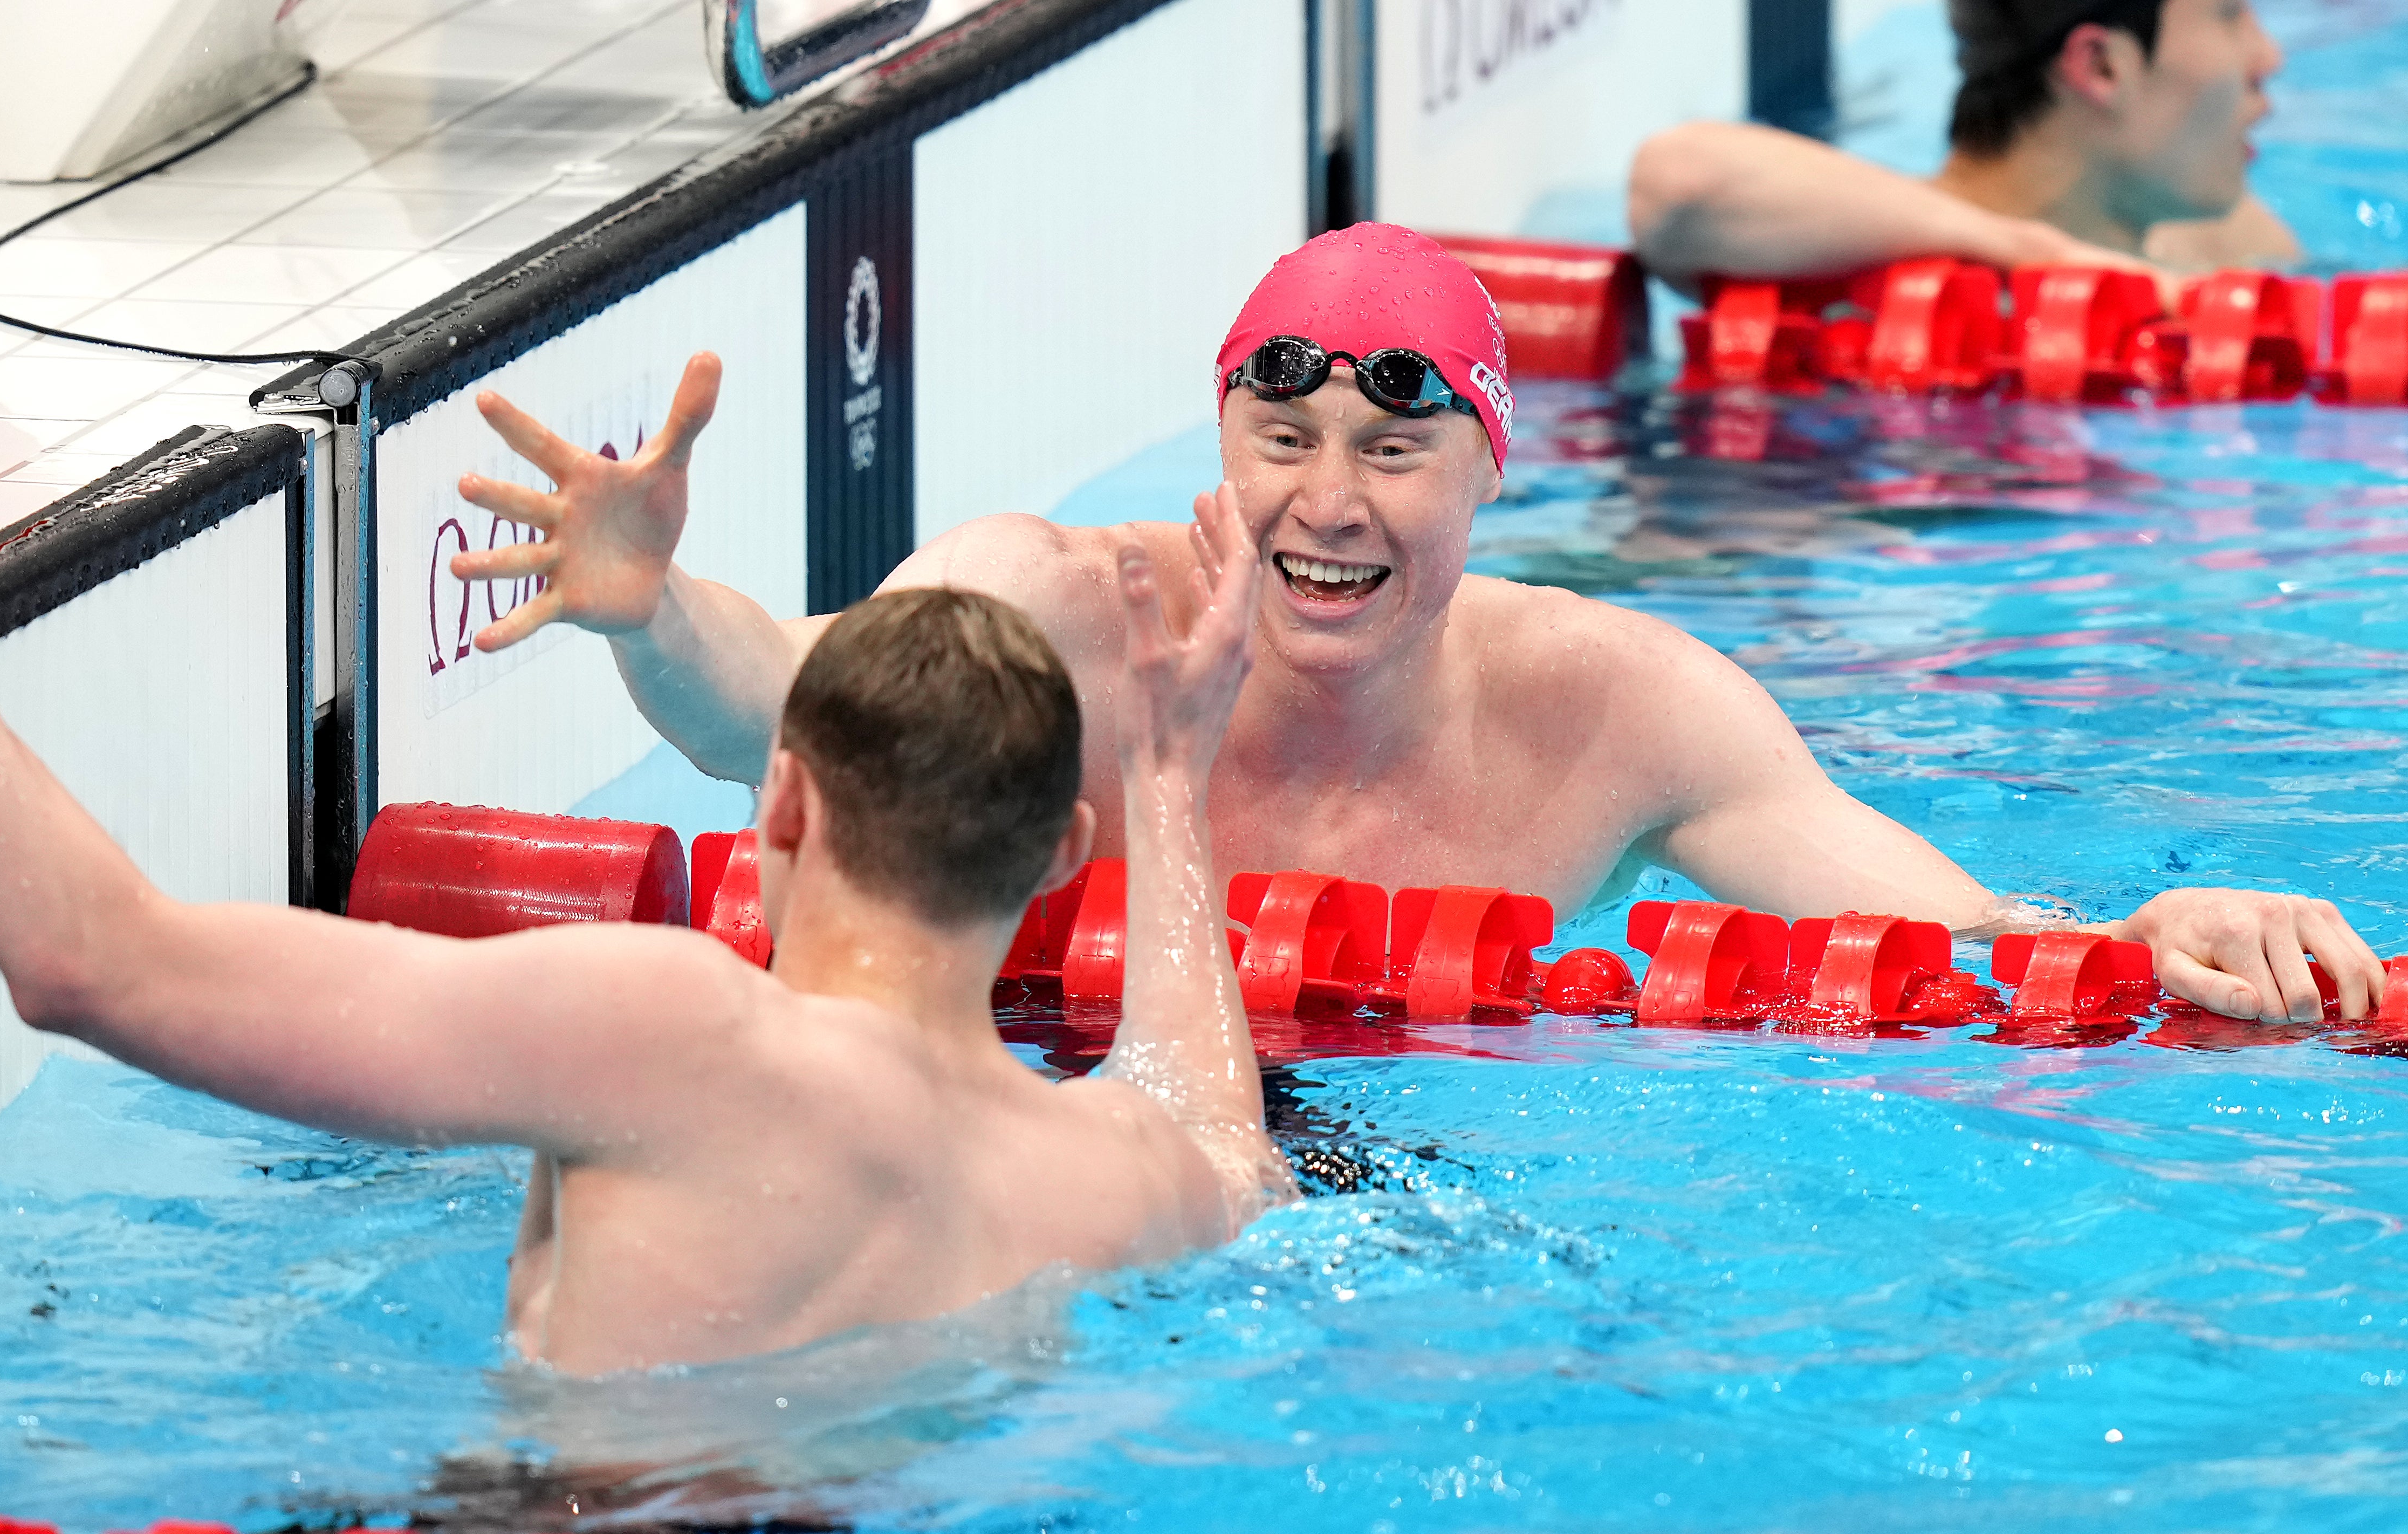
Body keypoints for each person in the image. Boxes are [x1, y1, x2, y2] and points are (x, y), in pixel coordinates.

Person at [0, 317, 1293, 1378]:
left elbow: (87, 957)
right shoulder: (1115, 1169)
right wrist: (1170, 768)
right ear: (1055, 843)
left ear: (781, 804)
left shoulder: (676, 1035)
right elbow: (1228, 1131)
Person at [447, 221, 2386, 1025]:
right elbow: (781, 715)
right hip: (1040, 1089)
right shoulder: (1054, 604)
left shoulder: (1615, 700)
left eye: (1390, 446)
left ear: (1487, 475)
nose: (1322, 501)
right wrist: (645, 615)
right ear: (1217, 433)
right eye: (1276, 434)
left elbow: (1925, 924)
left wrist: (2128, 946)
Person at [1626, 0, 2296, 292]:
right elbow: (1678, 180)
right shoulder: (1846, 253)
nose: (2270, 56)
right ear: (2102, 67)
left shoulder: (2231, 242)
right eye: (2231, 13)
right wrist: (2037, 255)